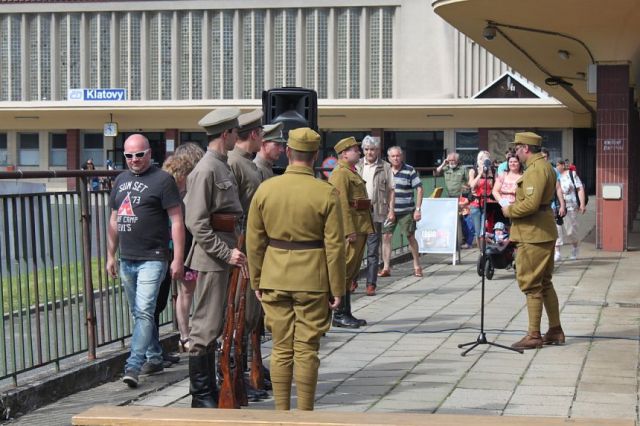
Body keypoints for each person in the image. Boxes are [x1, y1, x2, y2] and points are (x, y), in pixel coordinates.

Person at [246, 127, 345, 411]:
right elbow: (335, 246)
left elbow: (255, 241)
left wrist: (256, 280)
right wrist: (337, 288)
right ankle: (304, 413)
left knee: (280, 347)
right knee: (306, 349)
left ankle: (281, 412)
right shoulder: (326, 192)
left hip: (274, 276)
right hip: (313, 279)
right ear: (315, 156)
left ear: (288, 152)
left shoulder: (266, 189)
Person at [106, 134, 184, 388]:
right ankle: (154, 356)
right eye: (129, 155)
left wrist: (178, 258)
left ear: (149, 154)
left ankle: (133, 365)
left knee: (144, 311)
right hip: (127, 257)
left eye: (139, 154)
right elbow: (114, 220)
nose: (134, 160)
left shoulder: (163, 180)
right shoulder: (120, 180)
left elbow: (177, 220)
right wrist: (110, 255)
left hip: (153, 257)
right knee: (139, 313)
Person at [183, 107, 247, 408]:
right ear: (226, 134)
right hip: (213, 259)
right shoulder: (207, 169)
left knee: (218, 324)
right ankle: (201, 395)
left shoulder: (221, 165)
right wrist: (226, 252)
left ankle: (209, 392)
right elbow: (196, 222)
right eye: (235, 132)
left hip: (224, 257)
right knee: (205, 327)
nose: (238, 136)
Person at [502, 131, 564, 350]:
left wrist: (508, 210)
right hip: (541, 232)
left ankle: (534, 335)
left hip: (533, 234)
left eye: (517, 148)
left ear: (525, 148)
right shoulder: (544, 167)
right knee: (545, 283)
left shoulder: (536, 170)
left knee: (531, 284)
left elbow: (530, 204)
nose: (515, 152)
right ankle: (555, 330)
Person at [228, 108, 269, 402]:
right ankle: (232, 375)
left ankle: (245, 373)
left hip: (252, 247)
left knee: (251, 317)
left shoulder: (247, 165)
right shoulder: (235, 164)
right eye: (262, 134)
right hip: (240, 248)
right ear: (254, 135)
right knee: (236, 317)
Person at [160, 143, 205, 353]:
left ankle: (184, 335)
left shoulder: (170, 183)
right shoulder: (183, 188)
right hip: (185, 245)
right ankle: (186, 335)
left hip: (176, 245)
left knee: (183, 293)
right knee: (187, 292)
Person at [329, 137, 373, 328]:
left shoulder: (350, 172)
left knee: (351, 271)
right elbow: (341, 205)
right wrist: (348, 230)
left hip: (360, 226)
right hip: (353, 229)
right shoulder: (341, 174)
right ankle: (339, 314)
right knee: (345, 271)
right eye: (355, 150)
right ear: (344, 153)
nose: (359, 152)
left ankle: (346, 312)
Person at [355, 135, 395, 296]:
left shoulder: (385, 167)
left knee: (372, 251)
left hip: (376, 212)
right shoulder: (356, 166)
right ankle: (352, 281)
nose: (369, 152)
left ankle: (371, 284)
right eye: (366, 149)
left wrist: (391, 210)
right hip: (358, 213)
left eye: (372, 149)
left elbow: (391, 190)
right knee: (356, 250)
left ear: (377, 150)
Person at [379, 146, 424, 278]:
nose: (396, 158)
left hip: (406, 210)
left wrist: (418, 209)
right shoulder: (385, 170)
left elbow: (419, 189)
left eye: (398, 156)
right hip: (389, 211)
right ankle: (386, 267)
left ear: (402, 156)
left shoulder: (409, 170)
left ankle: (417, 265)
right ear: (388, 158)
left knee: (410, 237)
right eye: (393, 156)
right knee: (386, 237)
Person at [554, 159, 587, 260]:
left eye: (557, 165)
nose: (556, 167)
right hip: (557, 206)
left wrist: (582, 204)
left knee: (570, 230)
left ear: (563, 165)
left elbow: (580, 189)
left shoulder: (572, 174)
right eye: (555, 165)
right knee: (557, 229)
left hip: (570, 206)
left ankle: (575, 247)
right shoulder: (554, 176)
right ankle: (557, 252)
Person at [468, 150, 495, 249]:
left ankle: (486, 249)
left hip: (487, 203)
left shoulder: (492, 171)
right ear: (478, 160)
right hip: (475, 204)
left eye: (486, 158)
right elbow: (472, 185)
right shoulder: (473, 171)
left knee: (484, 230)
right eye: (482, 158)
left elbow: (493, 186)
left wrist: (488, 172)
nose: (484, 160)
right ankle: (481, 252)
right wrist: (480, 174)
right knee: (478, 229)